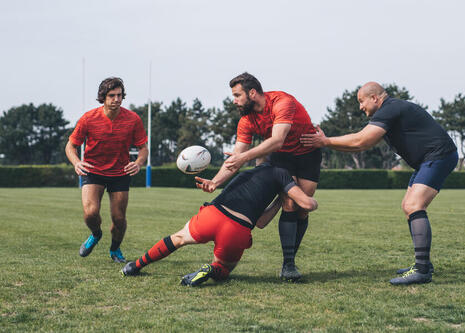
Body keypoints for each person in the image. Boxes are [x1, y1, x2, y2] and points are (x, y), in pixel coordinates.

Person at [300, 82, 458, 285]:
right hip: (430, 159)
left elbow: (361, 140)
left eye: (361, 101)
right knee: (408, 206)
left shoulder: (389, 108)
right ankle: (423, 264)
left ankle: (422, 270)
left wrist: (326, 141)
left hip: (439, 155)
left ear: (375, 98)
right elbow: (360, 146)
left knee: (414, 206)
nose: (360, 107)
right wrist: (326, 143)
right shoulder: (390, 110)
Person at [196, 72, 321, 281]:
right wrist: (215, 182)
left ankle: (288, 257)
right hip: (282, 159)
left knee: (302, 211)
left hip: (308, 155)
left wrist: (244, 157)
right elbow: (236, 157)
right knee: (291, 203)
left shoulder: (282, 102)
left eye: (237, 95)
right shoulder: (246, 121)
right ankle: (288, 265)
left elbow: (277, 140)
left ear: (252, 93)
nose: (234, 100)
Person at [121, 162, 318, 286]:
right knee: (225, 269)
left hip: (213, 214)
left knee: (178, 238)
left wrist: (278, 196)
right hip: (237, 229)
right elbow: (305, 205)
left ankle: (134, 266)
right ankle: (211, 269)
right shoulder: (282, 174)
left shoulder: (249, 172)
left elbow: (260, 221)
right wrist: (287, 196)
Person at [65, 77, 148, 263]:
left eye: (119, 95)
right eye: (112, 95)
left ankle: (115, 249)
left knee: (119, 219)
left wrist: (139, 163)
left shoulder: (133, 119)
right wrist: (77, 162)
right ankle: (95, 234)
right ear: (103, 97)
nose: (117, 99)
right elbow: (70, 146)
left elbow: (143, 148)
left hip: (120, 173)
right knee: (90, 213)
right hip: (93, 171)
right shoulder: (88, 118)